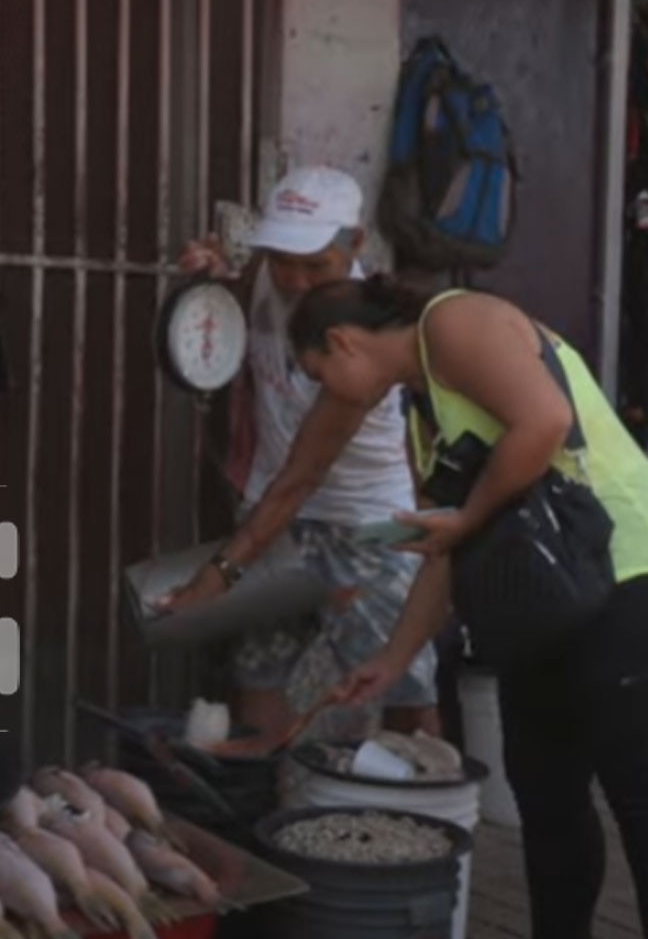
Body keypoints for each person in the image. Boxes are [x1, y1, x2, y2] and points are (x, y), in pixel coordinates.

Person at [289, 276, 648, 939]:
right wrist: (394, 657)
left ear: (343, 342)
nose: (325, 392)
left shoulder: (456, 322)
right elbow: (448, 544)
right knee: (546, 800)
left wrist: (464, 518)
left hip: (643, 575)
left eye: (317, 372)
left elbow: (543, 421)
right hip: (545, 606)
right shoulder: (420, 404)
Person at [157, 166, 438, 742]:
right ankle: (265, 807)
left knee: (398, 682)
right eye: (284, 260)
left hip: (369, 524)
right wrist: (203, 281)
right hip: (277, 513)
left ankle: (432, 799)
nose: (295, 280)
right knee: (263, 670)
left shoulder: (360, 330)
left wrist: (218, 577)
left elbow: (301, 478)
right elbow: (211, 319)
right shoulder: (264, 274)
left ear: (355, 244)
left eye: (316, 265)